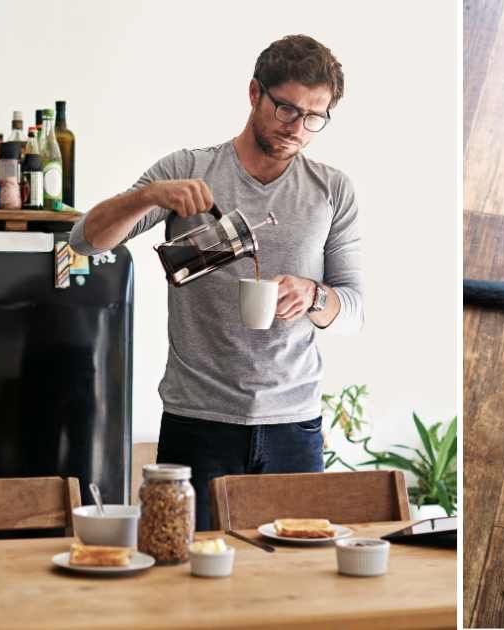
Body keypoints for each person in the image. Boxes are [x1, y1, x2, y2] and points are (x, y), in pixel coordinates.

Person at [70, 35, 363, 530]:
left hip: (294, 426)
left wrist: (315, 296)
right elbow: (85, 241)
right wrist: (147, 197)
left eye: (315, 117)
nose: (298, 128)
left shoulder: (331, 189)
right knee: (192, 582)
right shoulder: (188, 170)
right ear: (254, 93)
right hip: (197, 421)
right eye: (286, 109)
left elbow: (353, 309)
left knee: (292, 584)